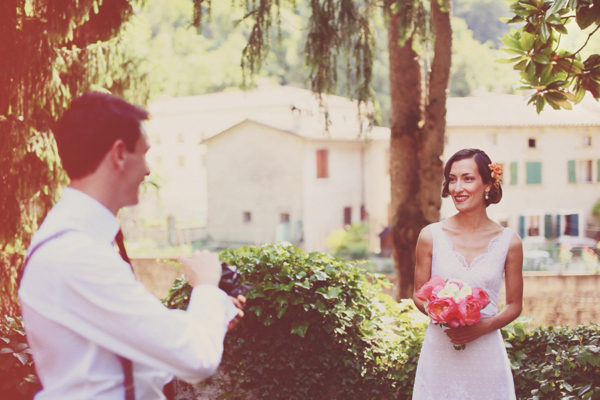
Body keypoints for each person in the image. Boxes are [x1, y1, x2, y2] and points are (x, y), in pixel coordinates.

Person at [19, 92, 245, 400]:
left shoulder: (79, 242)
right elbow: (196, 360)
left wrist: (212, 316)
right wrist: (206, 285)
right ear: (119, 155)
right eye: (145, 153)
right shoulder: (76, 254)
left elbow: (136, 349)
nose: (148, 170)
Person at [412, 148, 523, 399]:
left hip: (486, 354)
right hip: (441, 349)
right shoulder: (431, 236)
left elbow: (515, 305)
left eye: (468, 178)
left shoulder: (510, 242)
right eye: (452, 179)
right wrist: (445, 313)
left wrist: (481, 327)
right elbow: (418, 294)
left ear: (487, 183)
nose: (457, 188)